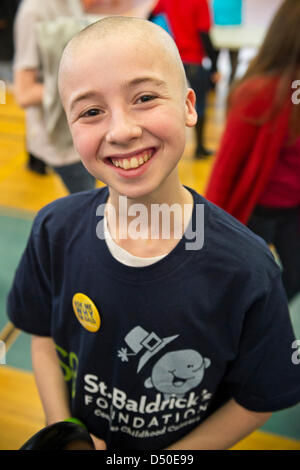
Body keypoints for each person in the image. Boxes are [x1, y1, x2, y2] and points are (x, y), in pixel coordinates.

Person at [7, 17, 300, 451]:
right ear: (70, 127)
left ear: (188, 106)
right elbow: (44, 336)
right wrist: (66, 433)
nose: (121, 130)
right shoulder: (53, 230)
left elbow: (259, 397)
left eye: (144, 97)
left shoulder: (248, 269)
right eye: (91, 111)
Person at [205, 0, 300, 303]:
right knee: (241, 279)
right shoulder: (259, 94)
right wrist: (208, 231)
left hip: (292, 214)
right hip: (254, 210)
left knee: (293, 279)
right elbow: (225, 171)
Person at [13, 0, 96, 188]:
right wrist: (85, 89)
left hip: (84, 131)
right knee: (87, 204)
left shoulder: (71, 3)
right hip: (59, 140)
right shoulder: (33, 12)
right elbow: (24, 93)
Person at [150, 0, 220, 159]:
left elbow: (150, 18)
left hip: (171, 59)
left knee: (165, 104)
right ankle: (200, 148)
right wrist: (215, 66)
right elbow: (204, 34)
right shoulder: (200, 2)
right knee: (199, 104)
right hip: (193, 61)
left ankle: (164, 150)